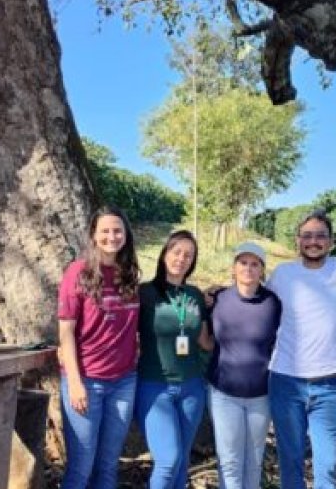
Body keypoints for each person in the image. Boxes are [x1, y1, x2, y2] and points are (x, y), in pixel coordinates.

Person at [266, 209, 336, 489]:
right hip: (285, 380)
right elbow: (256, 299)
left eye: (320, 236)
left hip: (328, 384)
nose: (313, 241)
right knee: (290, 461)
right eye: (307, 236)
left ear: (330, 241)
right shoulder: (283, 274)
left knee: (328, 466)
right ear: (297, 240)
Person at [57, 206, 142, 489]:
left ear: (126, 235)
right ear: (93, 235)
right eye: (105, 231)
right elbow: (66, 333)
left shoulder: (129, 273)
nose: (112, 236)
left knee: (107, 467)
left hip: (123, 381)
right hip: (86, 381)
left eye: (118, 230)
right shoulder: (78, 273)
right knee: (81, 468)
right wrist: (76, 383)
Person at [134, 230, 213, 489]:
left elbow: (204, 341)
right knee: (168, 460)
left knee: (181, 465)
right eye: (176, 251)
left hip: (192, 388)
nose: (182, 258)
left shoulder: (195, 295)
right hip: (154, 387)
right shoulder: (144, 293)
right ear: (165, 254)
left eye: (188, 255)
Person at [206, 241, 282, 489]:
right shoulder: (217, 299)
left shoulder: (273, 303)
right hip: (224, 394)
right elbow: (205, 340)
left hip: (261, 394)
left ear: (262, 269)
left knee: (254, 459)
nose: (248, 268)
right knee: (229, 461)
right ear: (233, 267)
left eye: (254, 264)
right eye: (243, 262)